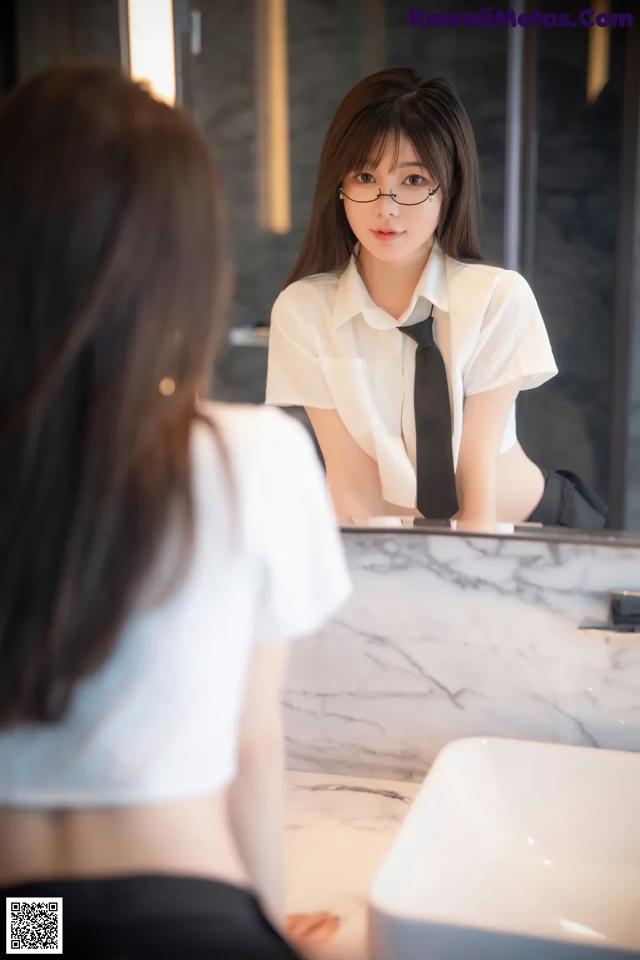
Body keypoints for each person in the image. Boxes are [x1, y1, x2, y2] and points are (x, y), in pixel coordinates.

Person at [0, 64, 351, 959]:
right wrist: (268, 933)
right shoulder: (252, 457)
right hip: (185, 916)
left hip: (20, 925)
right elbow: (253, 745)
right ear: (184, 265)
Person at [265, 68, 608, 530]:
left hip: (539, 528)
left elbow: (476, 485)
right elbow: (349, 489)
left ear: (450, 186)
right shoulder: (303, 312)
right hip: (401, 544)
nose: (385, 207)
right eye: (365, 176)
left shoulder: (497, 298)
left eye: (412, 180)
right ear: (338, 186)